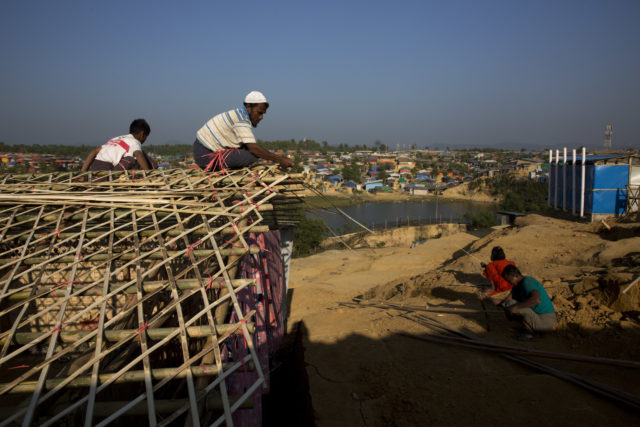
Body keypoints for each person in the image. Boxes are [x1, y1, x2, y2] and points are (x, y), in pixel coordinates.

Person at [193, 91, 294, 171]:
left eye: (263, 114)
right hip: (206, 157)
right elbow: (254, 149)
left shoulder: (238, 114)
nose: (261, 117)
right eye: (259, 113)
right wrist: (279, 160)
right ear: (248, 107)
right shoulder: (241, 119)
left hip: (202, 151)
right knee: (253, 155)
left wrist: (273, 156)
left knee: (251, 151)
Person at [501, 265, 556, 338]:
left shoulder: (527, 282)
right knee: (509, 304)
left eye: (509, 281)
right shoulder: (517, 287)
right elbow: (505, 301)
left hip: (545, 321)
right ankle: (529, 328)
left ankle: (530, 334)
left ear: (516, 276)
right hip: (538, 318)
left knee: (512, 305)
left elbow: (536, 300)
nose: (509, 284)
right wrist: (488, 299)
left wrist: (515, 307)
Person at [81, 119, 154, 172]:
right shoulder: (134, 142)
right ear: (142, 134)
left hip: (94, 170)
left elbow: (93, 152)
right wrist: (148, 173)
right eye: (146, 137)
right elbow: (138, 155)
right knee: (136, 157)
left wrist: (83, 172)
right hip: (106, 172)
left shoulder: (116, 139)